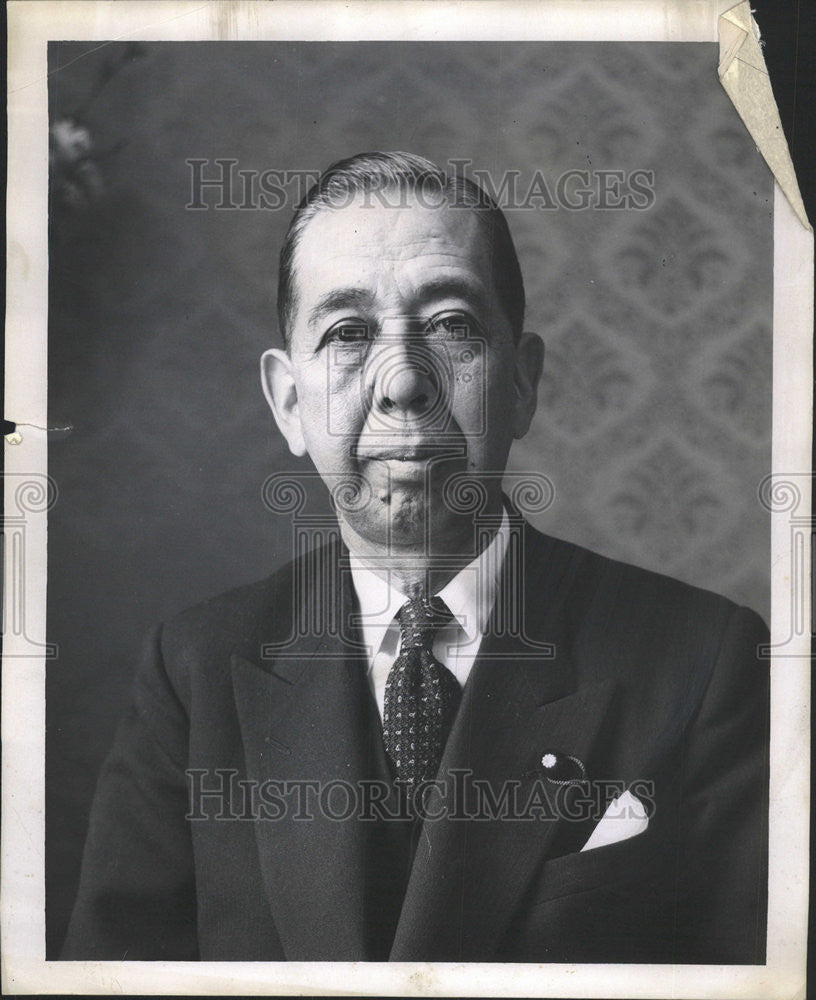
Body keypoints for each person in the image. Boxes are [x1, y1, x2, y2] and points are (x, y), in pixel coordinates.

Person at [62, 152, 768, 964]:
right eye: (348, 333)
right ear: (290, 403)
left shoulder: (707, 663)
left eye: (451, 325)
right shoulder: (191, 671)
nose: (403, 383)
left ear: (523, 382)